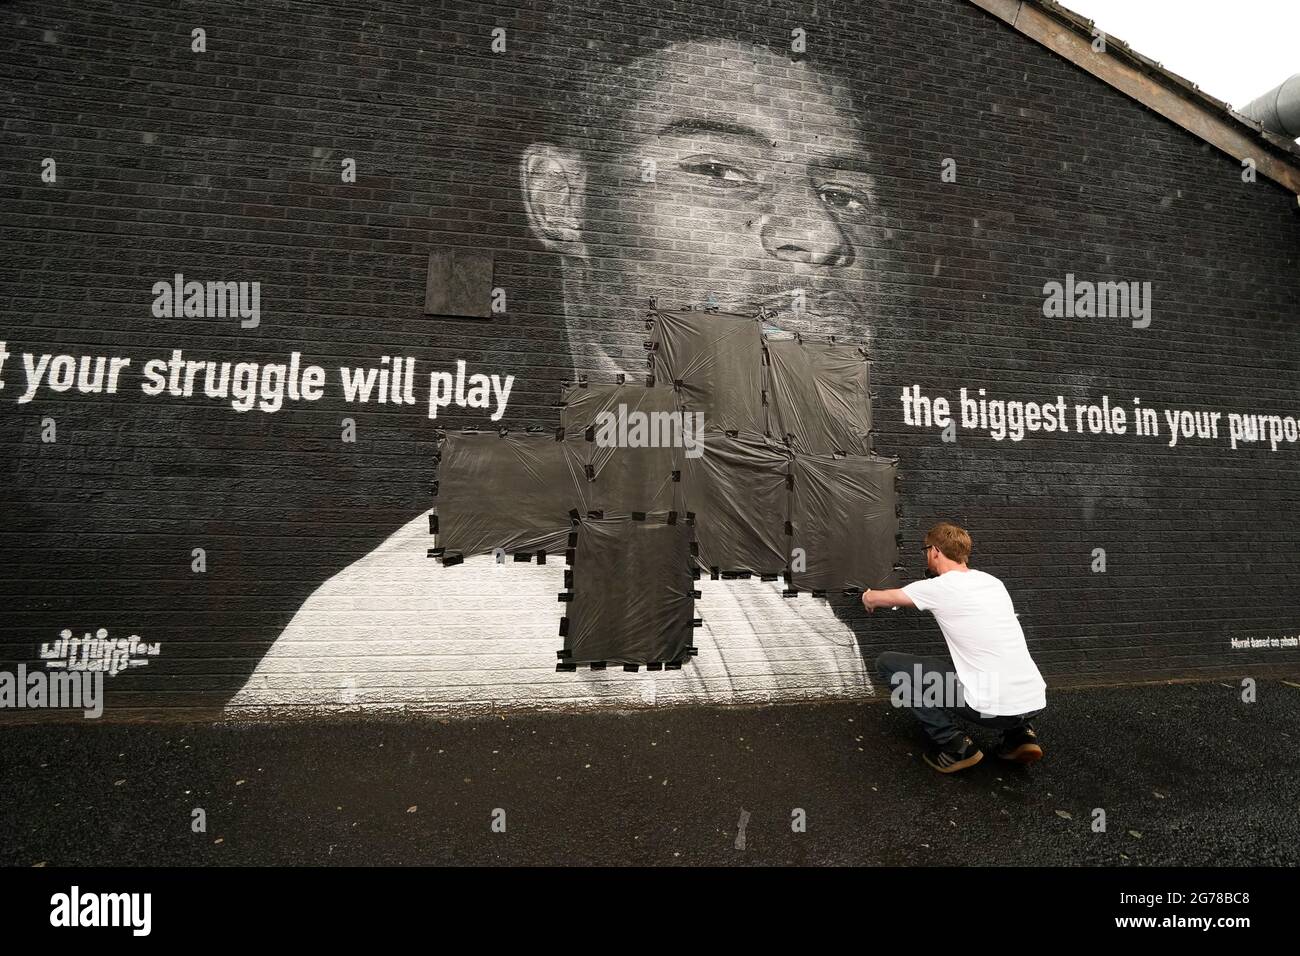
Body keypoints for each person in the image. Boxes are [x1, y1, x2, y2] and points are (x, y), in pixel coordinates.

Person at [226, 35, 893, 713]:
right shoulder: (477, 608)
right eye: (718, 170)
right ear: (562, 202)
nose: (820, 233)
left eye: (845, 194)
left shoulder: (759, 579)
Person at [863, 522, 1047, 773]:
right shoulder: (993, 583)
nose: (926, 555)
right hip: (1034, 702)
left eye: (926, 550)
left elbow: (881, 598)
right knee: (984, 664)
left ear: (935, 551)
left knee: (888, 663)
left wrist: (867, 597)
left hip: (993, 708)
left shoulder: (938, 587)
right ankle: (1020, 736)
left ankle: (955, 744)